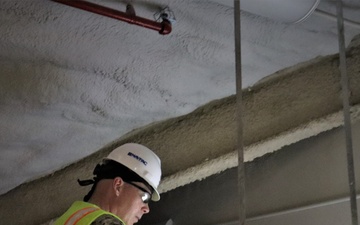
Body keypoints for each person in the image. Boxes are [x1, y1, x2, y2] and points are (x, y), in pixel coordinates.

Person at [54, 143, 162, 225]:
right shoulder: (106, 222)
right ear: (118, 185)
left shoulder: (75, 215)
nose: (147, 209)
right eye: (145, 197)